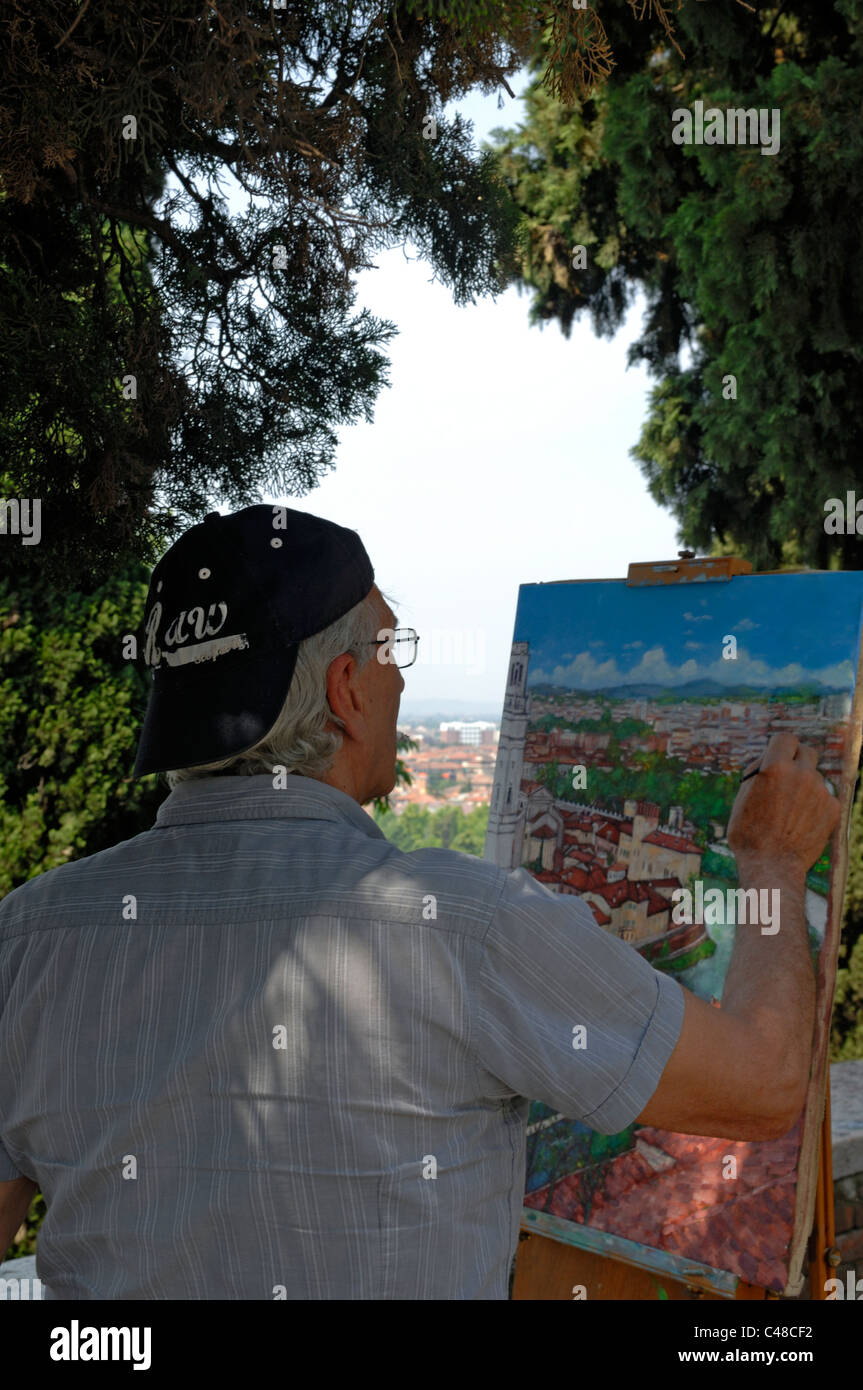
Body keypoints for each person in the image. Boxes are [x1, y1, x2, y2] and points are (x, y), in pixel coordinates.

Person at [0, 505, 841, 1299]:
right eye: (391, 650)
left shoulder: (27, 934)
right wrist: (770, 861)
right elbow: (760, 1087)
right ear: (345, 689)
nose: (400, 682)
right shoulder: (459, 924)